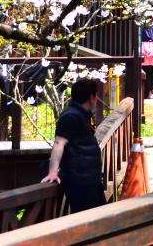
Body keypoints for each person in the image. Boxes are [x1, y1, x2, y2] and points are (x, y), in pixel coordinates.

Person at [41, 77, 105, 213]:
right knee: (87, 220)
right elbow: (59, 143)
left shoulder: (81, 115)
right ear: (91, 97)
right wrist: (53, 172)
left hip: (90, 178)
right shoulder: (70, 116)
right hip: (80, 181)